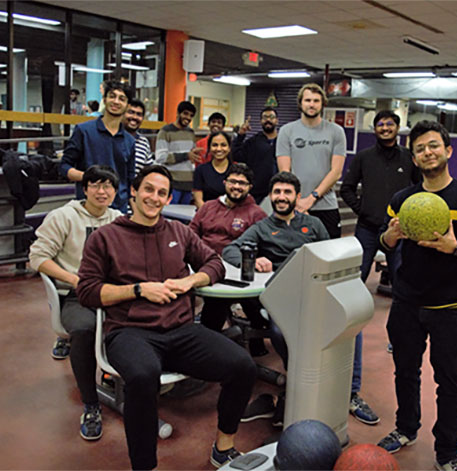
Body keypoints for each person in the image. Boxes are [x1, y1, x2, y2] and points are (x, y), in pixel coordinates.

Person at [76, 164, 257, 470]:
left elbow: (215, 264)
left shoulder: (179, 231)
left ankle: (223, 448)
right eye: (148, 189)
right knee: (143, 376)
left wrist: (191, 281)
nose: (154, 197)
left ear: (168, 198)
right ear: (133, 191)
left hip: (180, 331)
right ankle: (144, 466)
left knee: (243, 366)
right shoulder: (105, 237)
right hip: (130, 332)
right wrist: (137, 290)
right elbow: (88, 291)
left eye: (162, 193)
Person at [376, 121, 457, 471]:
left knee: (450, 383)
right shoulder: (402, 200)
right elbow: (384, 246)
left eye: (433, 145)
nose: (427, 152)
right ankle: (405, 428)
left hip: (450, 307)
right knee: (405, 372)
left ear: (448, 150)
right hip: (406, 303)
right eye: (419, 149)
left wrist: (456, 247)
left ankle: (447, 452)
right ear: (414, 158)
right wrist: (390, 235)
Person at [223, 171, 329, 426]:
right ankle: (295, 390)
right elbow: (230, 249)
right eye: (277, 192)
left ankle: (340, 391)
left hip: (314, 292)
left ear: (297, 196)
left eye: (287, 192)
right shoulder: (262, 227)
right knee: (282, 334)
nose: (281, 197)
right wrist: (252, 259)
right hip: (281, 296)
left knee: (346, 326)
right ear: (270, 197)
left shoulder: (314, 225)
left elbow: (330, 253)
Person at [29, 165, 122, 440]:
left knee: (145, 320)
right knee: (84, 330)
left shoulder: (118, 219)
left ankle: (120, 376)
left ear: (116, 192)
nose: (102, 191)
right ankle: (91, 404)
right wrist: (73, 279)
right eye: (96, 185)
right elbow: (37, 257)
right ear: (85, 188)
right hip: (76, 294)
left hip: (112, 292)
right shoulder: (63, 217)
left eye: (108, 186)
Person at [340, 110, 420, 424]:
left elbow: (418, 190)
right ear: (374, 129)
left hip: (400, 230)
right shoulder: (363, 157)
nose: (385, 128)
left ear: (398, 128)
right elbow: (347, 188)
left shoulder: (407, 157)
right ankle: (350, 329)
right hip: (368, 229)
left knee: (402, 283)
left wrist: (407, 220)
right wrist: (366, 211)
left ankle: (397, 336)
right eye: (380, 124)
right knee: (354, 285)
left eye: (390, 123)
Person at [190, 162, 267, 354]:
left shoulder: (256, 213)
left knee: (225, 303)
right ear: (225, 182)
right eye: (233, 181)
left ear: (250, 187)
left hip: (238, 272)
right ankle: (202, 342)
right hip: (204, 265)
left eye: (243, 183)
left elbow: (262, 245)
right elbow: (190, 235)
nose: (237, 186)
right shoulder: (208, 207)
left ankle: (210, 347)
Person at [276, 83, 346, 239]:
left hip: (326, 205)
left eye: (316, 101)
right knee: (292, 255)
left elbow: (336, 172)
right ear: (300, 103)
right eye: (308, 100)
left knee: (329, 254)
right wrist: (297, 201)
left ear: (322, 104)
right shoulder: (287, 131)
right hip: (293, 206)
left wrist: (311, 198)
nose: (312, 104)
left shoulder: (336, 132)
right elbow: (284, 172)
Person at [60, 80, 135, 214]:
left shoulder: (129, 141)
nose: (116, 101)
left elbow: (129, 180)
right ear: (104, 100)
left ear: (127, 105)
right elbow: (64, 166)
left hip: (118, 210)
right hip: (87, 209)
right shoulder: (84, 131)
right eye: (112, 96)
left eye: (122, 99)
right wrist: (90, 178)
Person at [155, 100, 202, 204]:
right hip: (172, 184)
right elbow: (161, 157)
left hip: (188, 185)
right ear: (178, 113)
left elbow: (190, 156)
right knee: (170, 216)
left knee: (184, 218)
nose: (188, 118)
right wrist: (186, 155)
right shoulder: (165, 131)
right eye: (185, 113)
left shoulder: (190, 133)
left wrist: (194, 155)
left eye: (191, 115)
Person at [232, 107, 279, 204]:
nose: (268, 120)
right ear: (260, 121)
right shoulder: (253, 142)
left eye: (271, 117)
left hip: (279, 191)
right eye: (265, 117)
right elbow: (236, 155)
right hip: (257, 194)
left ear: (277, 121)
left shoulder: (284, 140)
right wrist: (241, 135)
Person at [192, 131, 232, 209]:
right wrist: (211, 216)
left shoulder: (236, 171)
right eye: (215, 145)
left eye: (223, 145)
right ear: (209, 148)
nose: (219, 149)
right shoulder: (201, 170)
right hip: (205, 214)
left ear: (229, 148)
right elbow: (198, 200)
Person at [122, 98, 154, 176]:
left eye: (139, 114)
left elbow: (148, 170)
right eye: (131, 112)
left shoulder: (143, 142)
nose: (135, 117)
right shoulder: (113, 137)